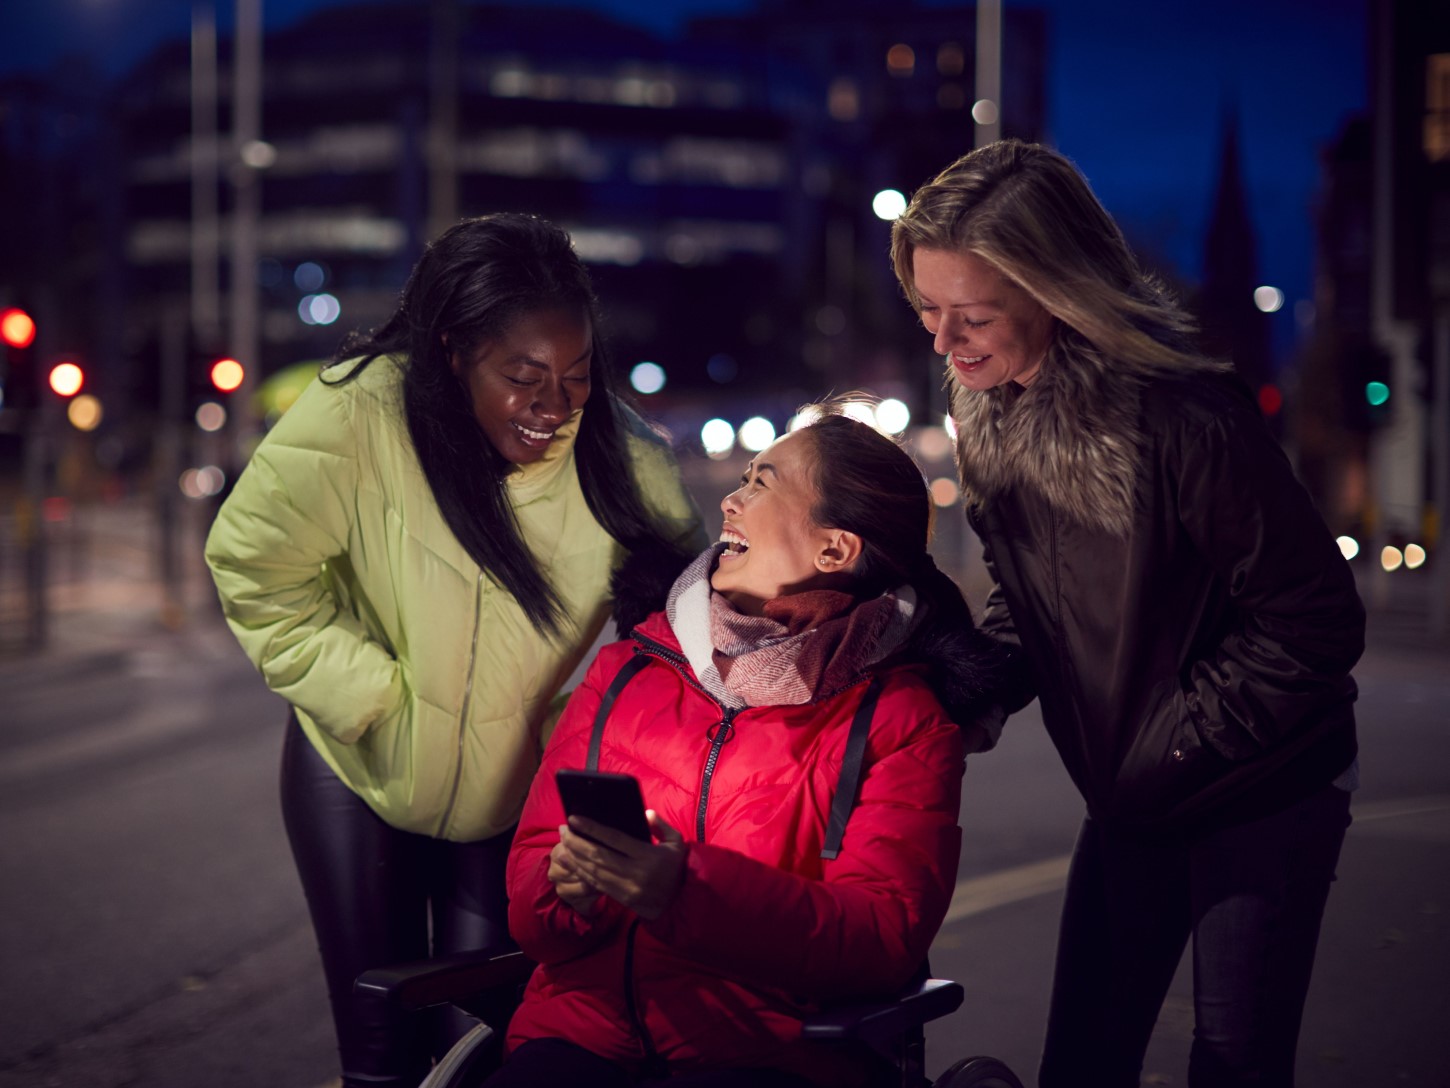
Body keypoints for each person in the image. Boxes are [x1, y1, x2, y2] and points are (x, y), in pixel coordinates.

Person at [889, 139, 1365, 1088]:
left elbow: (1313, 622)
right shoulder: (993, 411)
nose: (944, 342)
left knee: (1232, 1065)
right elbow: (1031, 609)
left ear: (1056, 290)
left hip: (1263, 792)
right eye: (928, 312)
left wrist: (1174, 746)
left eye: (972, 314)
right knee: (1084, 1059)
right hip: (1135, 799)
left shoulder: (1185, 419)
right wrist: (969, 694)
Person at [204, 213, 708, 1088]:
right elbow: (252, 566)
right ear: (450, 353)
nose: (556, 404)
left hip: (512, 787)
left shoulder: (618, 457)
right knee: (381, 1053)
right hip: (355, 768)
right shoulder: (356, 413)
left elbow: (695, 613)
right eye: (524, 377)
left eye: (578, 374)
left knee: (488, 1045)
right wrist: (375, 697)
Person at [482, 407, 1008, 1087]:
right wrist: (566, 890)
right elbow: (531, 895)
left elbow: (881, 935)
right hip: (580, 1038)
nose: (730, 499)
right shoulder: (629, 670)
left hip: (765, 1051)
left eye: (763, 482)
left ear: (835, 550)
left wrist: (686, 889)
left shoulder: (899, 720)